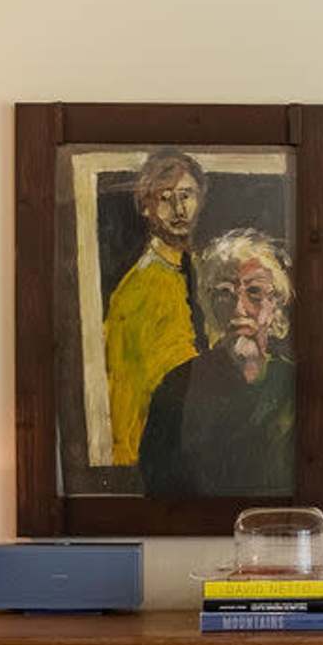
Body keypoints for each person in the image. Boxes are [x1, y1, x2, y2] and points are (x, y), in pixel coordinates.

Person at [137, 228, 297, 496]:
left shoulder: (294, 385)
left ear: (275, 307)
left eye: (255, 292)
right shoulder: (178, 385)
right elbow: (157, 485)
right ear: (211, 304)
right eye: (225, 293)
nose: (239, 309)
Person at [102, 148, 205, 465]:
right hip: (159, 454)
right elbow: (127, 399)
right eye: (165, 198)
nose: (178, 209)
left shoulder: (199, 270)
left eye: (186, 195)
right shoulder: (139, 291)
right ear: (146, 207)